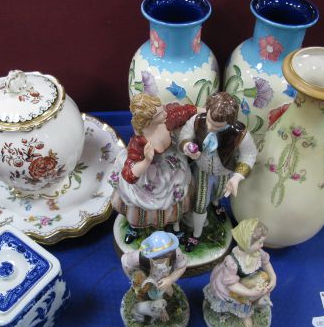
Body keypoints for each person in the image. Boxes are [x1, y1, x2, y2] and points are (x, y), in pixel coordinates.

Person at [110, 93, 197, 244]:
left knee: (176, 194)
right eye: (159, 113)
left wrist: (209, 114)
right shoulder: (140, 140)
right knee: (142, 202)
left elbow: (187, 111)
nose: (165, 112)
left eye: (162, 109)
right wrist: (147, 159)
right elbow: (129, 175)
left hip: (170, 165)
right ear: (148, 120)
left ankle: (175, 227)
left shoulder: (166, 118)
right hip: (147, 173)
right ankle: (134, 227)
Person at [178, 92, 257, 252]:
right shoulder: (198, 121)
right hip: (202, 169)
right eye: (210, 122)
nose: (211, 128)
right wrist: (187, 146)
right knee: (200, 203)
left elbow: (249, 154)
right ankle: (197, 234)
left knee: (220, 193)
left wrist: (237, 177)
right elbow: (184, 135)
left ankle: (216, 204)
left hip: (224, 171)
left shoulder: (240, 133)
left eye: (218, 127)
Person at [203, 218, 277, 327]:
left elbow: (266, 263)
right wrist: (250, 292)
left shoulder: (257, 253)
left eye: (262, 242)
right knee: (243, 301)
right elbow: (231, 285)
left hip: (250, 281)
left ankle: (258, 300)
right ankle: (245, 315)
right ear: (246, 242)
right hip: (234, 286)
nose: (262, 245)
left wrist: (273, 278)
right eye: (259, 242)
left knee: (261, 284)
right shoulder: (232, 261)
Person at [121, 231, 187, 300]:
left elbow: (181, 267)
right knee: (145, 299)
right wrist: (135, 280)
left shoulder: (175, 252)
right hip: (147, 282)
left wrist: (170, 279)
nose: (168, 255)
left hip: (165, 281)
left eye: (169, 252)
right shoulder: (138, 257)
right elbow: (125, 262)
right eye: (160, 256)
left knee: (168, 297)